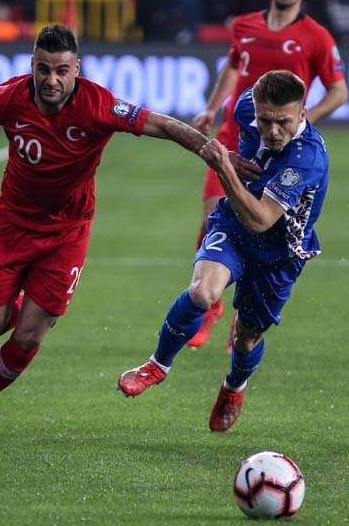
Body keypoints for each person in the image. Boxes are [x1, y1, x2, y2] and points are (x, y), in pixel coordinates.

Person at [0, 24, 259, 435]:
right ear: (32, 66)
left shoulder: (97, 104)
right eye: (44, 70)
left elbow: (161, 125)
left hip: (67, 233)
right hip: (10, 227)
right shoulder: (8, 98)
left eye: (62, 71)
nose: (52, 80)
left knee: (30, 335)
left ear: (77, 69)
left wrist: (216, 154)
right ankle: (30, 306)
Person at [118, 69, 329, 432]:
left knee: (246, 339)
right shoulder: (246, 105)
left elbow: (262, 219)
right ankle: (157, 364)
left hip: (279, 252)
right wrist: (228, 153)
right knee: (203, 291)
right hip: (233, 225)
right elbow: (230, 126)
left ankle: (234, 385)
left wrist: (224, 167)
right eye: (265, 120)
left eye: (283, 122)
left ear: (303, 115)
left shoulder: (306, 159)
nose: (273, 131)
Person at [188, 0, 346, 349]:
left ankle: (243, 315)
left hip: (278, 148)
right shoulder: (244, 26)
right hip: (236, 135)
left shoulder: (317, 37)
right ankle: (209, 309)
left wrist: (300, 125)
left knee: (263, 226)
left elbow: (340, 91)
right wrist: (210, 109)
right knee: (212, 216)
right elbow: (233, 67)